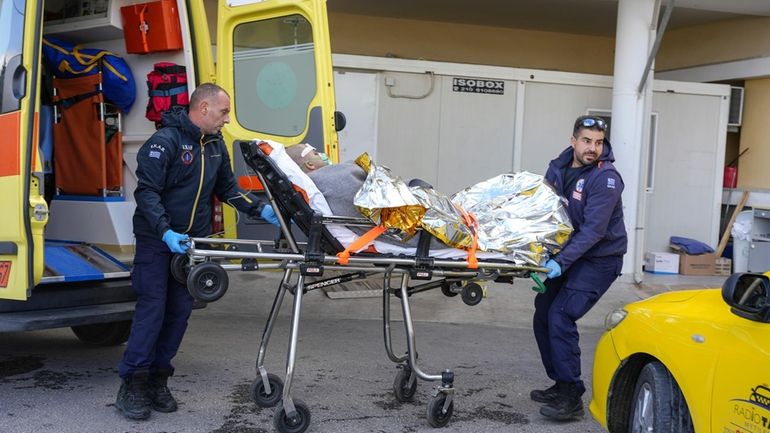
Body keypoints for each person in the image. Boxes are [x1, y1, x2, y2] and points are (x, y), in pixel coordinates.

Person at [116, 83, 280, 420]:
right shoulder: (165, 142)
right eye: (223, 112)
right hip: (158, 242)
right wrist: (165, 231)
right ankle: (132, 383)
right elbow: (146, 193)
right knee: (152, 312)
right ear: (203, 108)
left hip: (193, 246)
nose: (226, 119)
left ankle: (158, 381)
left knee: (179, 313)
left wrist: (258, 209)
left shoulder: (215, 145)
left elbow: (228, 190)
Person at [531, 115, 627, 421]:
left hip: (600, 259)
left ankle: (572, 396)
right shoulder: (557, 168)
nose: (593, 148)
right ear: (574, 141)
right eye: (587, 141)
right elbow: (544, 210)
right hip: (571, 254)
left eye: (598, 142)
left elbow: (593, 232)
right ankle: (560, 382)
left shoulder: (606, 178)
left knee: (561, 314)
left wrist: (559, 263)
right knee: (543, 309)